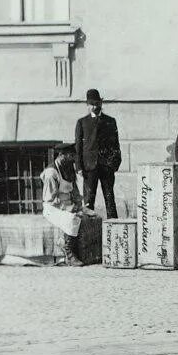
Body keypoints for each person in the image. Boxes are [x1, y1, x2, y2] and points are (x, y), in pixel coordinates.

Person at [74, 89, 122, 217]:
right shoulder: (82, 122)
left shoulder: (110, 121)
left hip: (107, 167)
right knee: (89, 201)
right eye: (91, 104)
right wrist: (78, 167)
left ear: (101, 102)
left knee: (110, 199)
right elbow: (78, 147)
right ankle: (90, 232)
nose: (94, 107)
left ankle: (114, 230)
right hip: (89, 168)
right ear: (87, 105)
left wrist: (115, 164)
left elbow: (115, 145)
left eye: (96, 103)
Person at [40, 144, 88, 266]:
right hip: (52, 208)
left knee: (86, 215)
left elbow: (75, 191)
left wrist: (78, 205)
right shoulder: (51, 173)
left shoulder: (68, 167)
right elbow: (49, 199)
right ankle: (69, 253)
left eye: (73, 156)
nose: (73, 159)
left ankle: (80, 251)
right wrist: (68, 208)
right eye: (70, 156)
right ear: (61, 155)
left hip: (67, 205)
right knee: (71, 218)